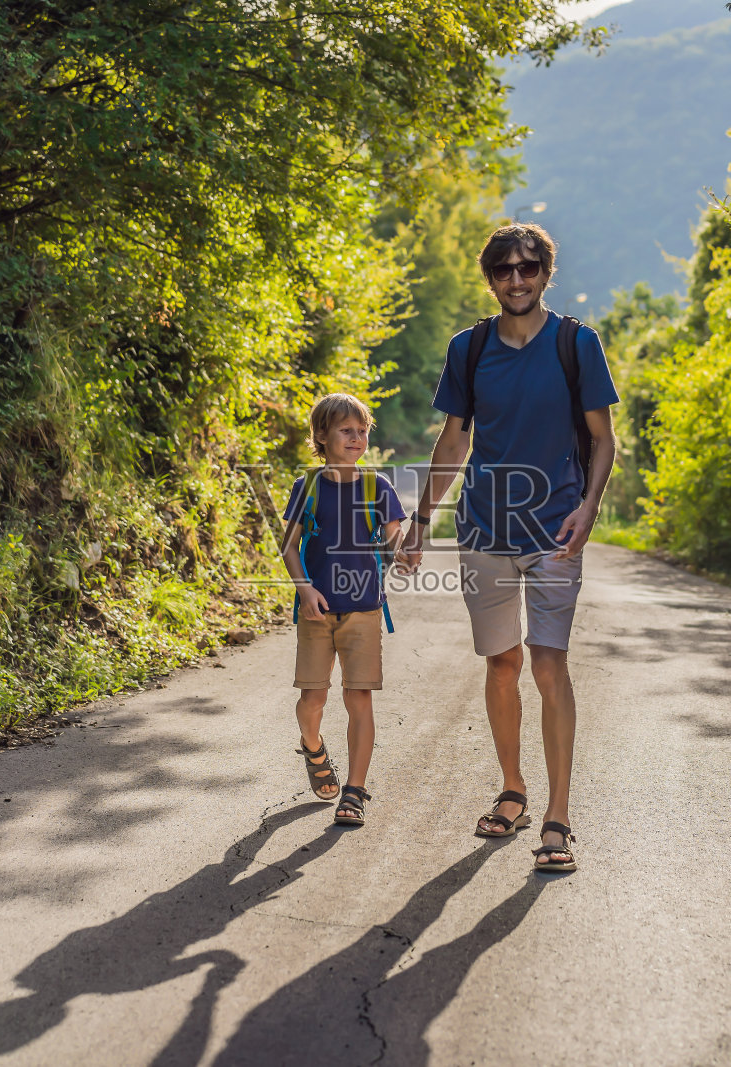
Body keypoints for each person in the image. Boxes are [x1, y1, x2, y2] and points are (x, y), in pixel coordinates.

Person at [397, 224, 618, 872]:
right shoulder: (468, 350)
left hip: (555, 531)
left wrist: (590, 505)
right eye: (503, 271)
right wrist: (421, 521)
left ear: (546, 272)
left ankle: (559, 817)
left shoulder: (577, 345)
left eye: (527, 268)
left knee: (549, 665)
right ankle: (514, 790)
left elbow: (602, 439)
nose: (515, 280)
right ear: (490, 278)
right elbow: (454, 441)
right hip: (484, 532)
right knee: (502, 665)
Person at [281, 393, 405, 827]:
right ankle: (313, 747)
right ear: (321, 435)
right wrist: (304, 589)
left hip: (365, 610)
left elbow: (396, 543)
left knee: (360, 698)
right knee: (311, 699)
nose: (357, 438)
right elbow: (289, 546)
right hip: (316, 612)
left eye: (362, 430)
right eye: (346, 430)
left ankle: (354, 791)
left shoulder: (378, 487)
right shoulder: (308, 487)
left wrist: (407, 552)